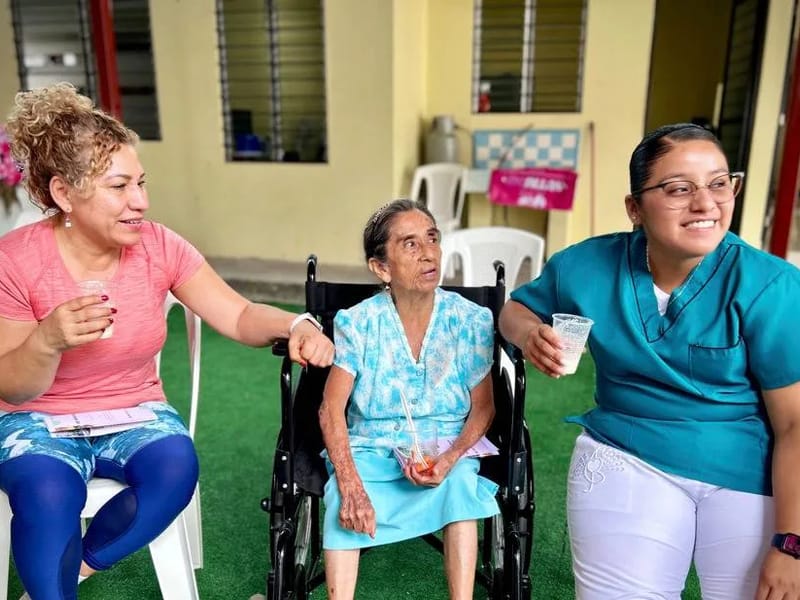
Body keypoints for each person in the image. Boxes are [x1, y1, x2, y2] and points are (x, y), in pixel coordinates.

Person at [0, 83, 334, 600]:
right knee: (46, 493)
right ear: (64, 193)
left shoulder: (159, 245)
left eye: (142, 182)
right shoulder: (16, 260)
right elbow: (14, 388)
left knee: (175, 469)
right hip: (34, 417)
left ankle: (80, 568)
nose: (141, 202)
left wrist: (295, 325)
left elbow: (240, 313)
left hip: (134, 408)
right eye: (119, 187)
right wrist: (47, 340)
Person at [499, 122, 800, 599]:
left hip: (747, 468)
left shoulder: (771, 285)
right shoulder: (587, 265)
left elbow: (795, 426)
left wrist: (791, 545)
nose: (706, 203)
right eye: (680, 188)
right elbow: (513, 309)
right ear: (634, 208)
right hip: (627, 452)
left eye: (720, 184)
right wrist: (531, 333)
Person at [318, 199, 499, 599]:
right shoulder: (359, 323)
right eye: (410, 244)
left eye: (432, 238)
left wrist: (450, 458)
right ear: (382, 268)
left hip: (444, 445)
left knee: (459, 490)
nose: (429, 253)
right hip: (371, 447)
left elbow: (484, 407)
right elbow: (331, 407)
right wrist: (350, 484)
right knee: (337, 499)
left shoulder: (470, 320)